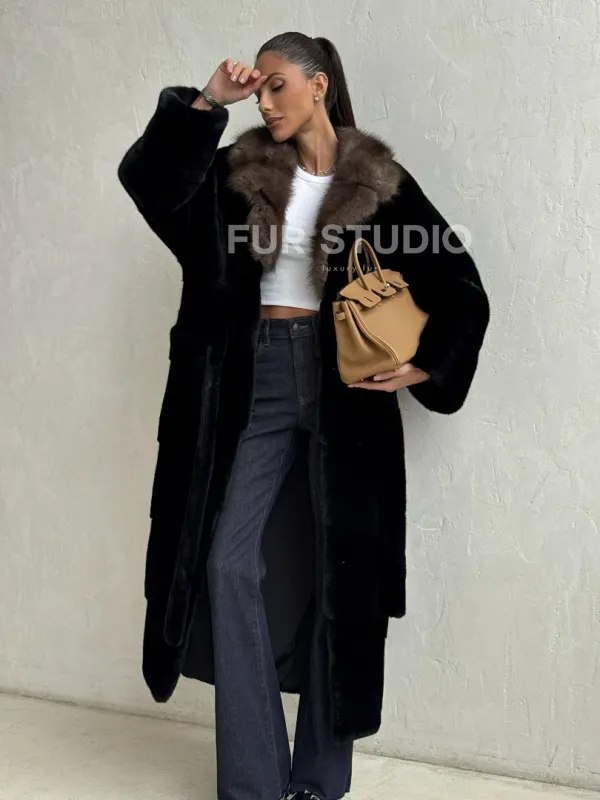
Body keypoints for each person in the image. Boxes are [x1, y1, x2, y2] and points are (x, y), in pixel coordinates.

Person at [117, 31, 490, 800]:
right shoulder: (237, 173)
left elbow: (458, 281)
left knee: (337, 578)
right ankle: (253, 784)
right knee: (227, 562)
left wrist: (430, 362)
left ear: (318, 86)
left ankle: (318, 781)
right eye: (257, 89)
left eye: (276, 84)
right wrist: (206, 103)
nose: (265, 100)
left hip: (345, 388)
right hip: (251, 376)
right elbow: (150, 187)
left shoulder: (380, 183)